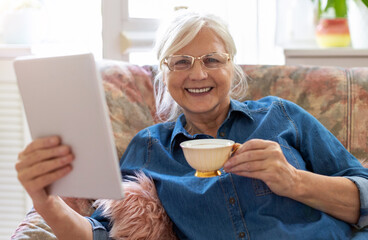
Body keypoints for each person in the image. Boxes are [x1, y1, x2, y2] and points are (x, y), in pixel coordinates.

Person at [15, 10, 368, 240]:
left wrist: (294, 181)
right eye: (180, 62)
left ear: (233, 66)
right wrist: (44, 200)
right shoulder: (150, 148)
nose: (198, 74)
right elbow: (102, 235)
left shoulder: (281, 116)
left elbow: (363, 197)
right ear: (163, 73)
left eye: (212, 59)